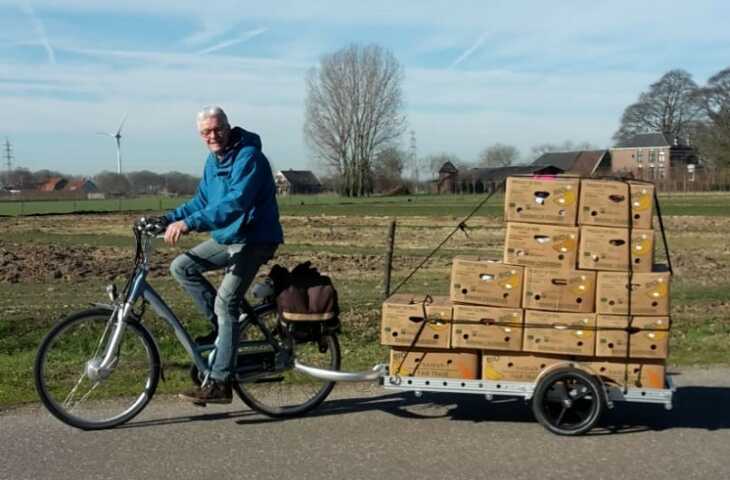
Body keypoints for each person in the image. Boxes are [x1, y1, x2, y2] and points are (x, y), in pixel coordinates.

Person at [162, 106, 283, 404]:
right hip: (230, 236)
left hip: (255, 237)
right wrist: (166, 218)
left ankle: (219, 383)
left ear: (229, 127)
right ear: (200, 135)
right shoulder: (212, 161)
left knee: (225, 301)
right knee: (182, 267)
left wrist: (189, 224)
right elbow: (202, 200)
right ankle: (223, 332)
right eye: (206, 132)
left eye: (217, 129)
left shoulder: (249, 158)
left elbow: (236, 202)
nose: (212, 136)